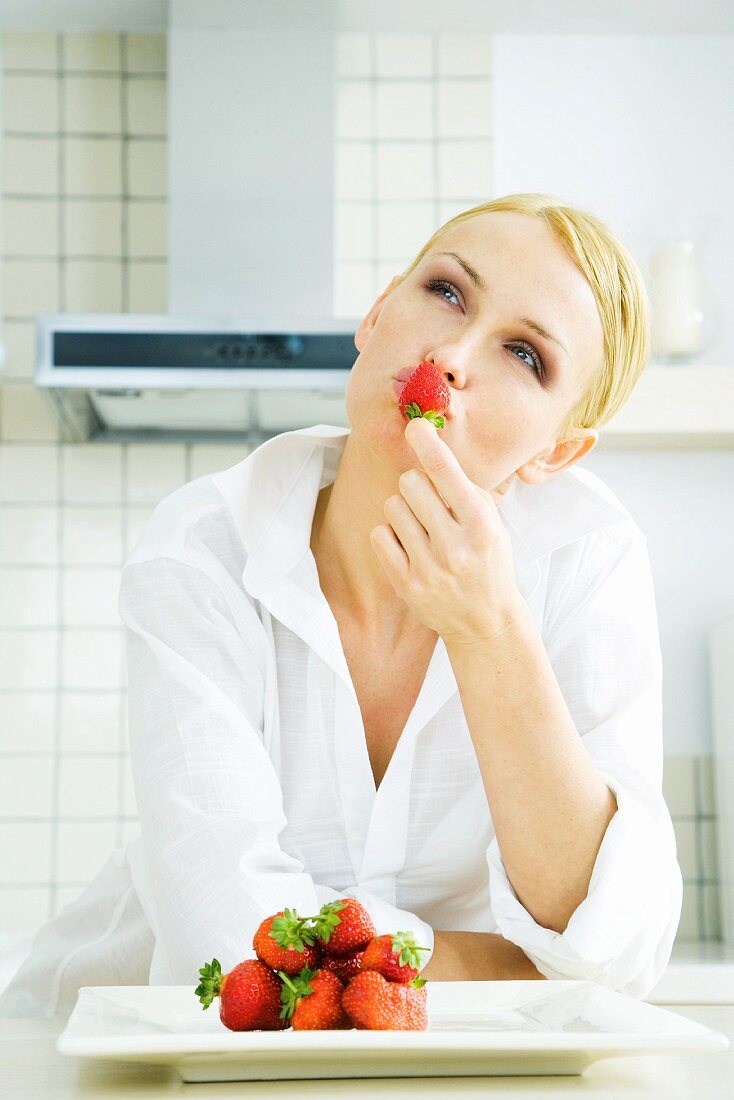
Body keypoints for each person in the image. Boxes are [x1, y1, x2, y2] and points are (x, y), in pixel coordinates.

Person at [0, 192, 682, 1018]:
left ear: (557, 452)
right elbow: (231, 936)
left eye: (526, 355)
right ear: (376, 312)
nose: (454, 354)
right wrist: (520, 968)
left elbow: (617, 938)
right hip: (125, 1044)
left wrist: (488, 626)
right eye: (447, 292)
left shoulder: (586, 560)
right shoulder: (207, 548)